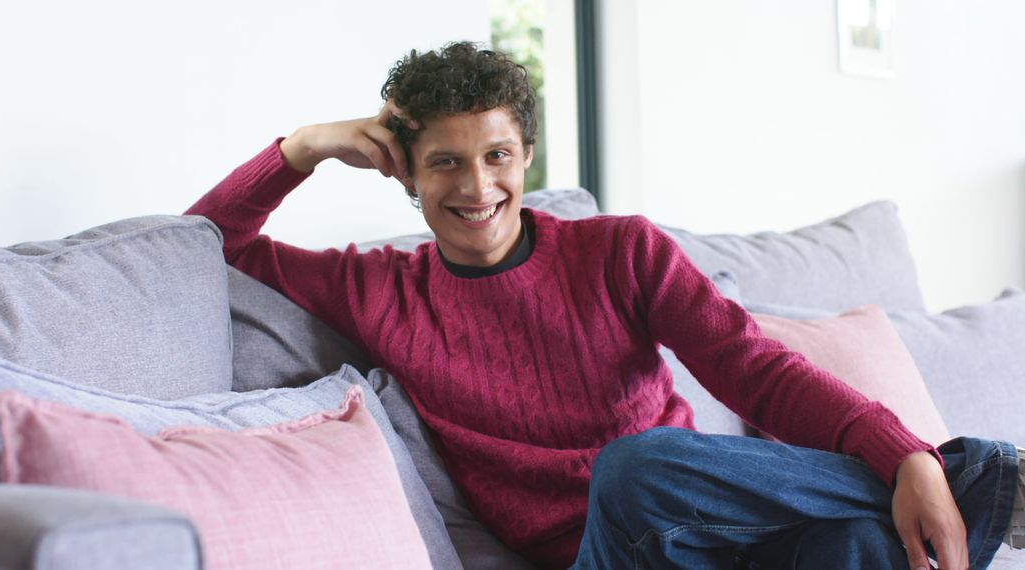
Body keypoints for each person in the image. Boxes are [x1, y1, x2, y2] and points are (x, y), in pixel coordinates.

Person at [186, 41, 1024, 569]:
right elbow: (203, 240)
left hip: (729, 538)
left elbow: (756, 371)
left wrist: (905, 457)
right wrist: (301, 149)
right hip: (606, 551)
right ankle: (983, 484)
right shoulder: (377, 289)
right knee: (632, 468)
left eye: (498, 155)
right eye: (444, 162)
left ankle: (947, 478)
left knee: (868, 544)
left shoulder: (619, 250)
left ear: (527, 156)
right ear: (404, 170)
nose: (478, 187)